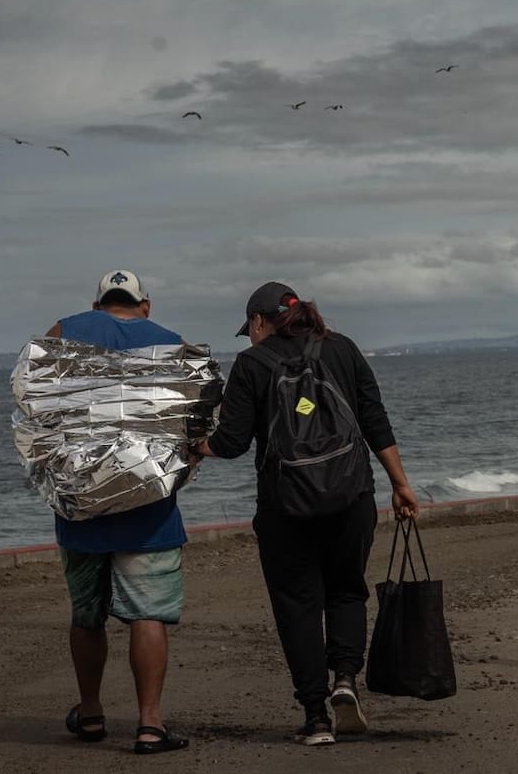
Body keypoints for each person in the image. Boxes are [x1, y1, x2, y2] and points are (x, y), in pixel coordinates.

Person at [190, 281, 419, 747]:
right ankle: (346, 681)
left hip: (285, 507)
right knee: (347, 592)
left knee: (297, 605)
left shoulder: (252, 363)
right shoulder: (343, 349)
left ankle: (316, 718)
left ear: (258, 321)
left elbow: (232, 443)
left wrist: (195, 447)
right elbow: (375, 420)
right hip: (351, 497)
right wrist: (400, 484)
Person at [42, 270, 190, 755]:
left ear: (97, 303)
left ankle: (90, 714)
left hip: (81, 506)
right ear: (144, 305)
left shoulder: (65, 330)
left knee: (87, 616)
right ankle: (150, 726)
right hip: (150, 508)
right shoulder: (170, 342)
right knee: (148, 615)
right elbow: (199, 416)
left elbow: (37, 406)